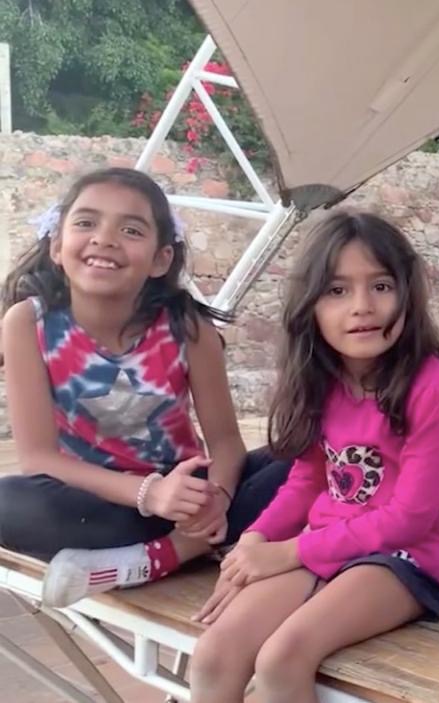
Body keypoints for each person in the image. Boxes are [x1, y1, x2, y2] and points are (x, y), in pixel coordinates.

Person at [188, 210, 439, 703]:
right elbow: (306, 480)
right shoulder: (321, 381)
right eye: (337, 290)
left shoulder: (432, 386)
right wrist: (255, 541)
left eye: (381, 286)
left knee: (282, 658)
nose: (362, 306)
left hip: (406, 559)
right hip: (325, 547)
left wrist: (288, 553)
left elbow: (410, 518)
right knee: (214, 654)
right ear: (310, 305)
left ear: (408, 294)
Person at [0, 167, 290, 607]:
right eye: (86, 222)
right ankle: (191, 546)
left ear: (161, 259)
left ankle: (163, 554)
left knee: (309, 454)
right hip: (96, 502)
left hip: (188, 495)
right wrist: (149, 494)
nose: (105, 239)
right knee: (9, 502)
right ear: (57, 245)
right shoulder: (28, 323)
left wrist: (216, 496)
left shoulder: (187, 327)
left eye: (131, 230)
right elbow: (39, 457)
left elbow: (226, 443)